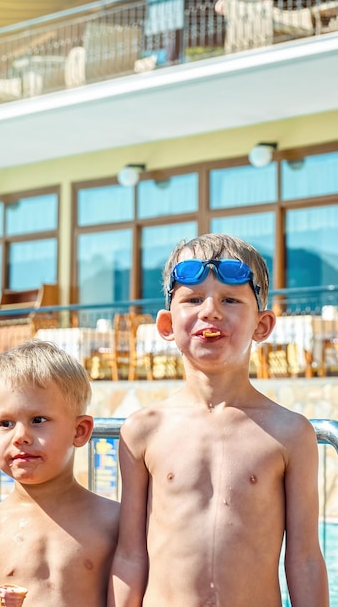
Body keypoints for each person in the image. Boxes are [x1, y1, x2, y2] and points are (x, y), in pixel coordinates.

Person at [108, 233, 329, 607]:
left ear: (262, 326)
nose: (210, 311)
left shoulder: (289, 433)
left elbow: (304, 558)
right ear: (166, 324)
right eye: (193, 299)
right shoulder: (144, 430)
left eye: (230, 299)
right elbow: (131, 555)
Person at [0, 339, 120, 607]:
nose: (20, 436)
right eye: (6, 423)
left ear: (80, 431)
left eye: (38, 420)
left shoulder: (113, 523)